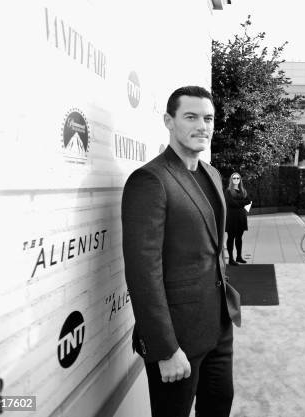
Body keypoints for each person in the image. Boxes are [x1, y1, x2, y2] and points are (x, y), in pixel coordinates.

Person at [121, 86, 241, 417]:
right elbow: (143, 273)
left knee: (219, 405)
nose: (202, 126)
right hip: (177, 337)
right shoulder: (150, 180)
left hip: (218, 326)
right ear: (169, 121)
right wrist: (165, 348)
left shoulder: (213, 174)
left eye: (208, 118)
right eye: (191, 117)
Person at [225, 172, 251, 266]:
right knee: (231, 238)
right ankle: (231, 259)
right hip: (232, 217)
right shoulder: (228, 191)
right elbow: (231, 203)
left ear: (240, 180)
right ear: (231, 180)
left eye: (238, 178)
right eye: (234, 178)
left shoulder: (243, 190)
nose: (236, 180)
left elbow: (248, 201)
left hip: (241, 217)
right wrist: (242, 202)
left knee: (239, 237)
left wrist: (239, 202)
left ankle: (239, 257)